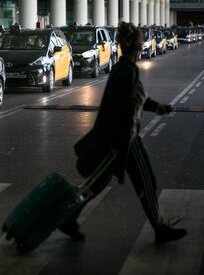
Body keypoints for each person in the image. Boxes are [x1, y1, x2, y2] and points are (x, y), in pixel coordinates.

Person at [59, 22, 187, 244]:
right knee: (144, 181)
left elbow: (138, 99)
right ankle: (159, 228)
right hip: (122, 140)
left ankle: (70, 219)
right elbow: (123, 109)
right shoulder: (127, 71)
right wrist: (121, 145)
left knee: (97, 184)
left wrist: (158, 107)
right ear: (138, 45)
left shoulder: (123, 68)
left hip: (118, 139)